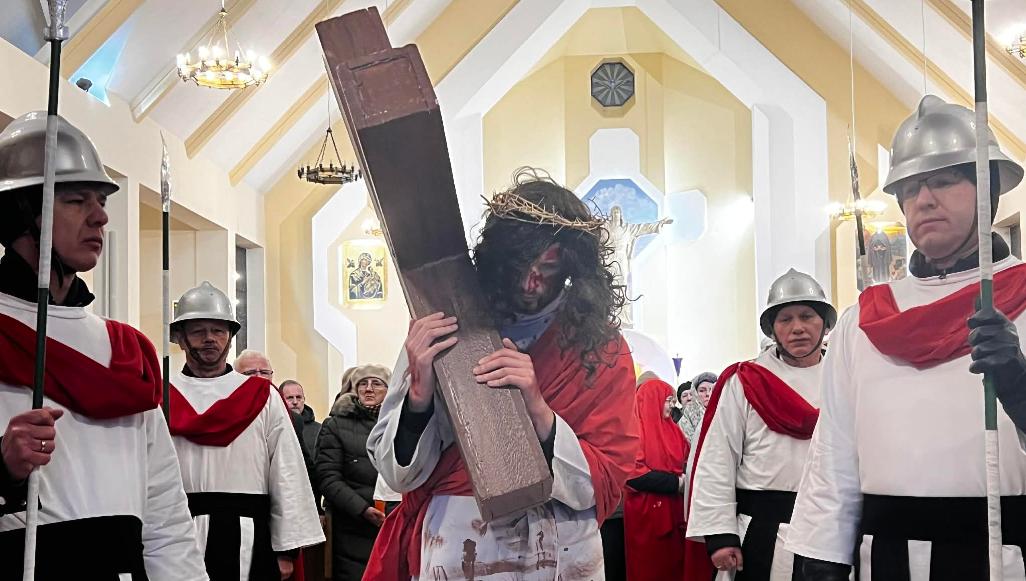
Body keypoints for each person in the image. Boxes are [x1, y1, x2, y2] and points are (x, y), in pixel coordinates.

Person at [787, 95, 1026, 579]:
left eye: (945, 180)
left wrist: (1021, 389)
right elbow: (834, 449)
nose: (925, 199)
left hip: (1000, 557)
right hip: (886, 558)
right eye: (911, 188)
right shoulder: (863, 319)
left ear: (988, 188)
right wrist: (822, 555)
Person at [364, 169, 639, 579]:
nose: (530, 282)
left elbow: (601, 484)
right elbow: (398, 475)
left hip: (560, 542)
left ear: (572, 266)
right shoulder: (443, 325)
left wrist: (538, 409)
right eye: (519, 267)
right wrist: (418, 394)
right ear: (498, 261)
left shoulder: (602, 349)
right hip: (458, 536)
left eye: (547, 269)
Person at [0, 112, 207, 579]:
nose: (100, 216)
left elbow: (165, 518)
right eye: (76, 201)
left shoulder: (124, 350)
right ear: (23, 212)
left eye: (102, 201)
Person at [685, 269, 835, 581]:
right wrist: (720, 535)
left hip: (829, 531)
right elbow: (718, 458)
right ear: (772, 328)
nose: (797, 328)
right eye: (785, 319)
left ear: (824, 323)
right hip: (759, 532)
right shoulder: (745, 381)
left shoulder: (843, 378)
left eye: (807, 316)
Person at [169, 281, 324, 580]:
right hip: (178, 532)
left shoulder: (262, 395)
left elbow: (286, 470)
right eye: (198, 331)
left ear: (230, 338)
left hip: (250, 534)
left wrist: (286, 550)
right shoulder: (162, 395)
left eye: (218, 331)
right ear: (181, 338)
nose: (210, 339)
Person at [316, 364, 392, 581]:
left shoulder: (398, 424)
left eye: (376, 383)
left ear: (389, 390)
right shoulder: (336, 425)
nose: (368, 389)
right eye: (362, 384)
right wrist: (362, 509)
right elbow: (328, 477)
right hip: (353, 526)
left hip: (394, 520)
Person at [624, 379, 688, 581]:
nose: (671, 406)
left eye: (672, 401)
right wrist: (677, 483)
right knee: (650, 568)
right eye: (668, 400)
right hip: (646, 516)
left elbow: (687, 457)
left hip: (674, 510)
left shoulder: (673, 429)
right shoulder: (634, 432)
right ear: (653, 400)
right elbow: (634, 475)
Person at [281, 379, 322, 459]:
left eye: (298, 397)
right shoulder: (273, 428)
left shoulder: (319, 430)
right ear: (280, 400)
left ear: (304, 399)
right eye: (290, 398)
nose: (295, 402)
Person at [678, 372, 717, 444]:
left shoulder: (723, 414)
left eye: (712, 390)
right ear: (695, 393)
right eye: (702, 390)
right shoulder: (686, 418)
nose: (708, 394)